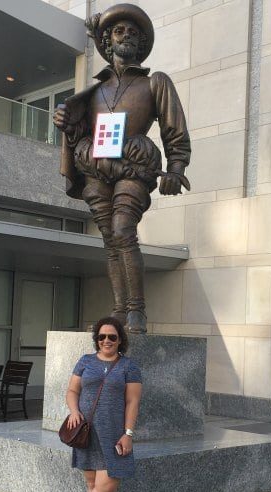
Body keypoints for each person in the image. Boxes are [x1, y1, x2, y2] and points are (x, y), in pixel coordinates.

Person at [53, 3, 191, 334]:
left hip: (133, 166)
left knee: (122, 230)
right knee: (109, 239)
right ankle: (118, 309)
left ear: (141, 44)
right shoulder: (96, 90)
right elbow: (79, 132)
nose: (126, 35)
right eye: (118, 31)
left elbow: (176, 131)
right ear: (107, 41)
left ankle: (136, 310)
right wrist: (66, 123)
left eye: (132, 32)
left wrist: (176, 167)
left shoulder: (155, 82)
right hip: (96, 166)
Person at [65, 316, 142, 492]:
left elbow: (132, 402)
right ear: (96, 340)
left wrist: (128, 434)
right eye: (101, 337)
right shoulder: (86, 361)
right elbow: (72, 390)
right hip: (87, 433)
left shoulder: (129, 367)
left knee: (105, 489)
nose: (106, 340)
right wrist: (74, 411)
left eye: (112, 337)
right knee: (92, 486)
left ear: (120, 340)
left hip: (114, 436)